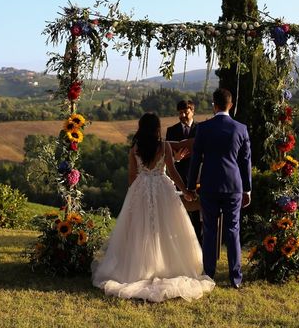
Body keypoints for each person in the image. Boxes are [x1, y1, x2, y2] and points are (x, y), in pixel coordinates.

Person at [92, 113, 215, 302]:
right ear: (157, 128)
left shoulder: (135, 148)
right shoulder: (164, 146)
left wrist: (133, 199)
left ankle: (140, 268)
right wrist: (186, 191)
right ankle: (166, 265)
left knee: (140, 231)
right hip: (162, 189)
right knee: (166, 229)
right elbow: (172, 173)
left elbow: (132, 177)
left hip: (140, 189)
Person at [187, 88, 251, 289]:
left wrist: (190, 186)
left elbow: (195, 159)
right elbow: (246, 161)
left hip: (209, 185)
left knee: (209, 230)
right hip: (234, 186)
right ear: (230, 105)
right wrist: (247, 189)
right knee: (233, 230)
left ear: (214, 104)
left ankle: (209, 274)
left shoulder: (204, 128)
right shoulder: (241, 129)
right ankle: (235, 278)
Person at [165, 99, 202, 244]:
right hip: (178, 178)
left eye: (186, 112)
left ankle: (198, 246)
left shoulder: (201, 129)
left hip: (198, 178)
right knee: (178, 216)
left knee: (196, 216)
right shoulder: (171, 131)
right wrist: (176, 158)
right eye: (180, 113)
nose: (183, 115)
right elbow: (167, 156)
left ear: (192, 112)